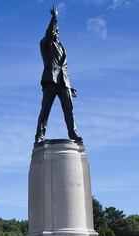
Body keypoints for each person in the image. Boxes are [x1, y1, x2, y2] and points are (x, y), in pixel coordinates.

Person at [35, 5, 82, 143]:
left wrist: (69, 86)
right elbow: (49, 33)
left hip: (64, 82)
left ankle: (73, 134)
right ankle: (39, 136)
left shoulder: (62, 47)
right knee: (45, 110)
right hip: (51, 80)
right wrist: (54, 18)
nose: (56, 32)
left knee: (69, 110)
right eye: (54, 30)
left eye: (57, 30)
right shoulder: (45, 44)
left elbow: (64, 67)